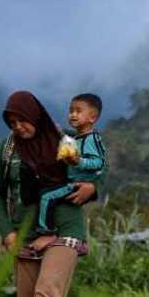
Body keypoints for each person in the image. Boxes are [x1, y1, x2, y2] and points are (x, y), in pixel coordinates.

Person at [0, 91, 105, 297]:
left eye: (22, 120)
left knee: (48, 292)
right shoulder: (7, 149)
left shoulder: (65, 139)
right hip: (25, 233)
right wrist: (7, 233)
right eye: (12, 123)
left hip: (65, 228)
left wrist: (93, 189)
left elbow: (98, 167)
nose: (18, 127)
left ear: (35, 115)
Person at [36, 93, 106, 234]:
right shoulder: (78, 137)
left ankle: (45, 230)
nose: (73, 115)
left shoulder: (91, 139)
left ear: (92, 118)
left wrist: (78, 161)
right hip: (70, 180)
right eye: (71, 111)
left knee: (46, 197)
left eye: (78, 111)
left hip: (77, 184)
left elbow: (99, 162)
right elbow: (68, 141)